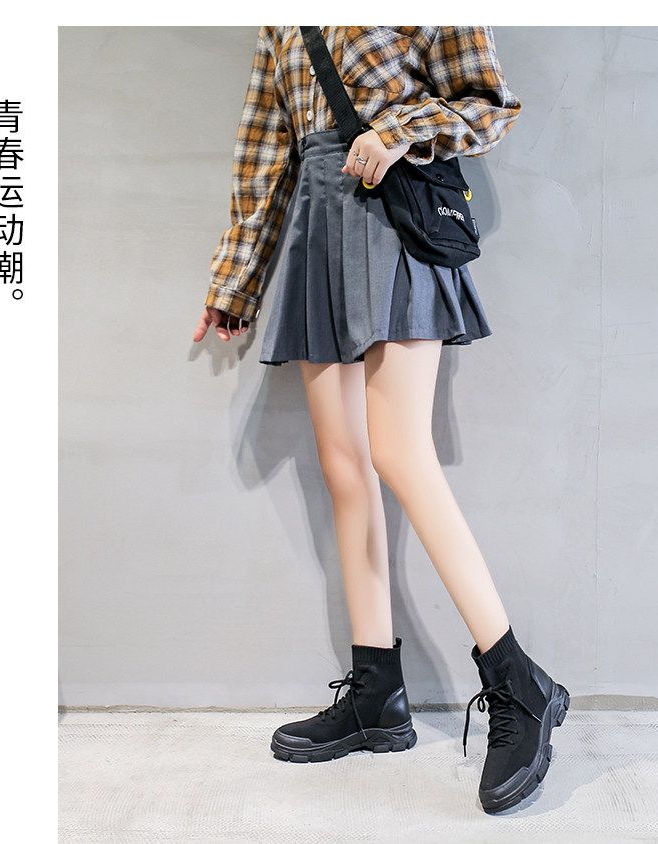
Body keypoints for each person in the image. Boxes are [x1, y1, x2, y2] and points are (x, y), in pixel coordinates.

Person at [193, 26, 569, 815]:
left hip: (395, 219)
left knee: (400, 451)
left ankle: (519, 681)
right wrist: (236, 283)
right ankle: (377, 695)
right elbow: (264, 155)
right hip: (317, 226)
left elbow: (489, 105)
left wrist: (398, 130)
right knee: (344, 468)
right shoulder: (282, 22)